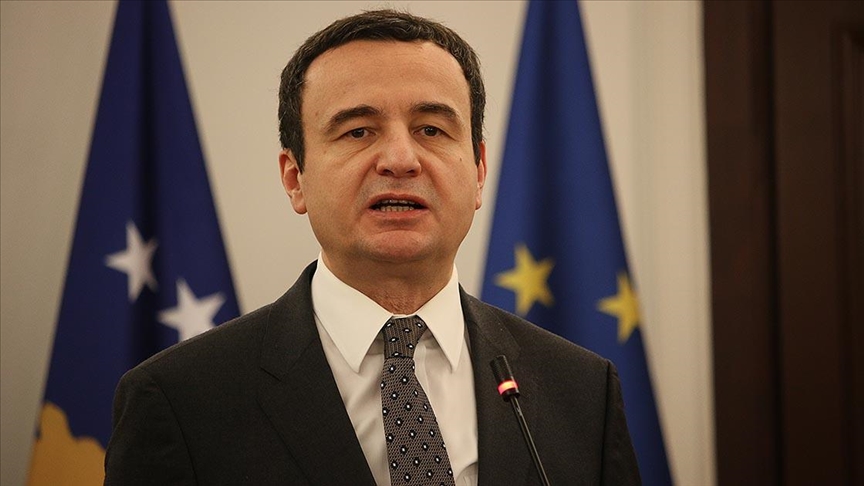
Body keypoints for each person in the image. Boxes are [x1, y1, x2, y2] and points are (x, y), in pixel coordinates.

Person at [104, 9, 640, 486]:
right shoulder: (179, 400)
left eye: (431, 129)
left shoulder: (582, 391)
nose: (401, 160)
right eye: (358, 131)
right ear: (294, 177)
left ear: (479, 171)